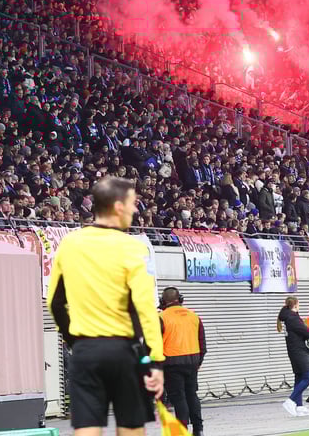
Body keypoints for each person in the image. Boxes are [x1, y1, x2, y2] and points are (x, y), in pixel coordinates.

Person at [48, 176, 165, 436]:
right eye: (133, 203)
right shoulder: (132, 248)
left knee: (87, 427)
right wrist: (155, 359)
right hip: (124, 351)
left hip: (85, 350)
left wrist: (74, 340)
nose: (136, 210)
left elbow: (55, 302)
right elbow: (145, 308)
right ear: (118, 207)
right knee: (131, 427)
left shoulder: (70, 243)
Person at [159, 287, 206, 436]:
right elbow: (202, 343)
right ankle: (198, 430)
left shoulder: (161, 317)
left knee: (178, 397)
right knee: (192, 395)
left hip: (171, 364)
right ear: (180, 299)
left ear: (162, 301)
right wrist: (198, 362)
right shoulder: (194, 316)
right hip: (192, 362)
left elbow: (153, 345)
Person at [278, 297, 309, 417]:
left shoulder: (288, 317)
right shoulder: (292, 319)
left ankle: (299, 407)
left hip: (295, 351)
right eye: (298, 304)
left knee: (299, 378)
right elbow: (306, 331)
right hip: (299, 352)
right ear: (295, 305)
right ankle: (290, 401)